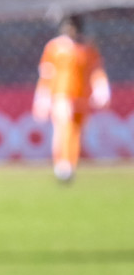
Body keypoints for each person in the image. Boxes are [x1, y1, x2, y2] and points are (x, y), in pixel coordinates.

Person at [34, 15, 111, 183]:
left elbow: (96, 70)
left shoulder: (87, 47)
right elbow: (46, 74)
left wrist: (101, 89)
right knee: (63, 127)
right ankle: (61, 164)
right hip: (61, 94)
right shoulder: (54, 47)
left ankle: (70, 164)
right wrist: (41, 98)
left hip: (82, 96)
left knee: (76, 131)